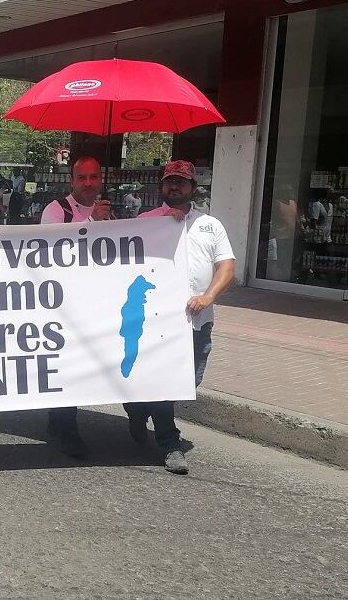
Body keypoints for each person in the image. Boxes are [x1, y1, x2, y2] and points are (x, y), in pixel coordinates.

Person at [127, 160, 236, 474]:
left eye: (181, 182)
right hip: (158, 323)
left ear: (193, 188)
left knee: (190, 380)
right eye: (170, 181)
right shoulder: (146, 221)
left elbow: (227, 267)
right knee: (166, 382)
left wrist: (208, 297)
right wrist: (162, 225)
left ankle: (137, 407)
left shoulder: (210, 225)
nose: (175, 186)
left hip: (198, 320)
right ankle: (170, 443)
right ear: (162, 186)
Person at [38, 155, 112, 456]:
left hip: (94, 302)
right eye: (82, 177)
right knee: (67, 364)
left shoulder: (108, 213)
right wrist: (92, 221)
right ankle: (67, 428)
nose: (88, 183)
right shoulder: (56, 210)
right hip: (62, 304)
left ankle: (58, 421)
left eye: (94, 177)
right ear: (72, 181)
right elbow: (52, 248)